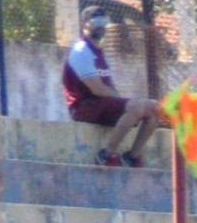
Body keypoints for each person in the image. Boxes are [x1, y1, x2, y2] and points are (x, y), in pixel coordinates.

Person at [61, 10, 160, 168]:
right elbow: (97, 89)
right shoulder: (81, 50)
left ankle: (132, 156)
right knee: (136, 106)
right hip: (83, 107)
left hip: (101, 105)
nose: (101, 26)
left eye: (104, 22)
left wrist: (128, 105)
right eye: (95, 22)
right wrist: (129, 104)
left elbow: (110, 86)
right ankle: (107, 154)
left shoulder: (101, 53)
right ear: (83, 25)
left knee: (155, 109)